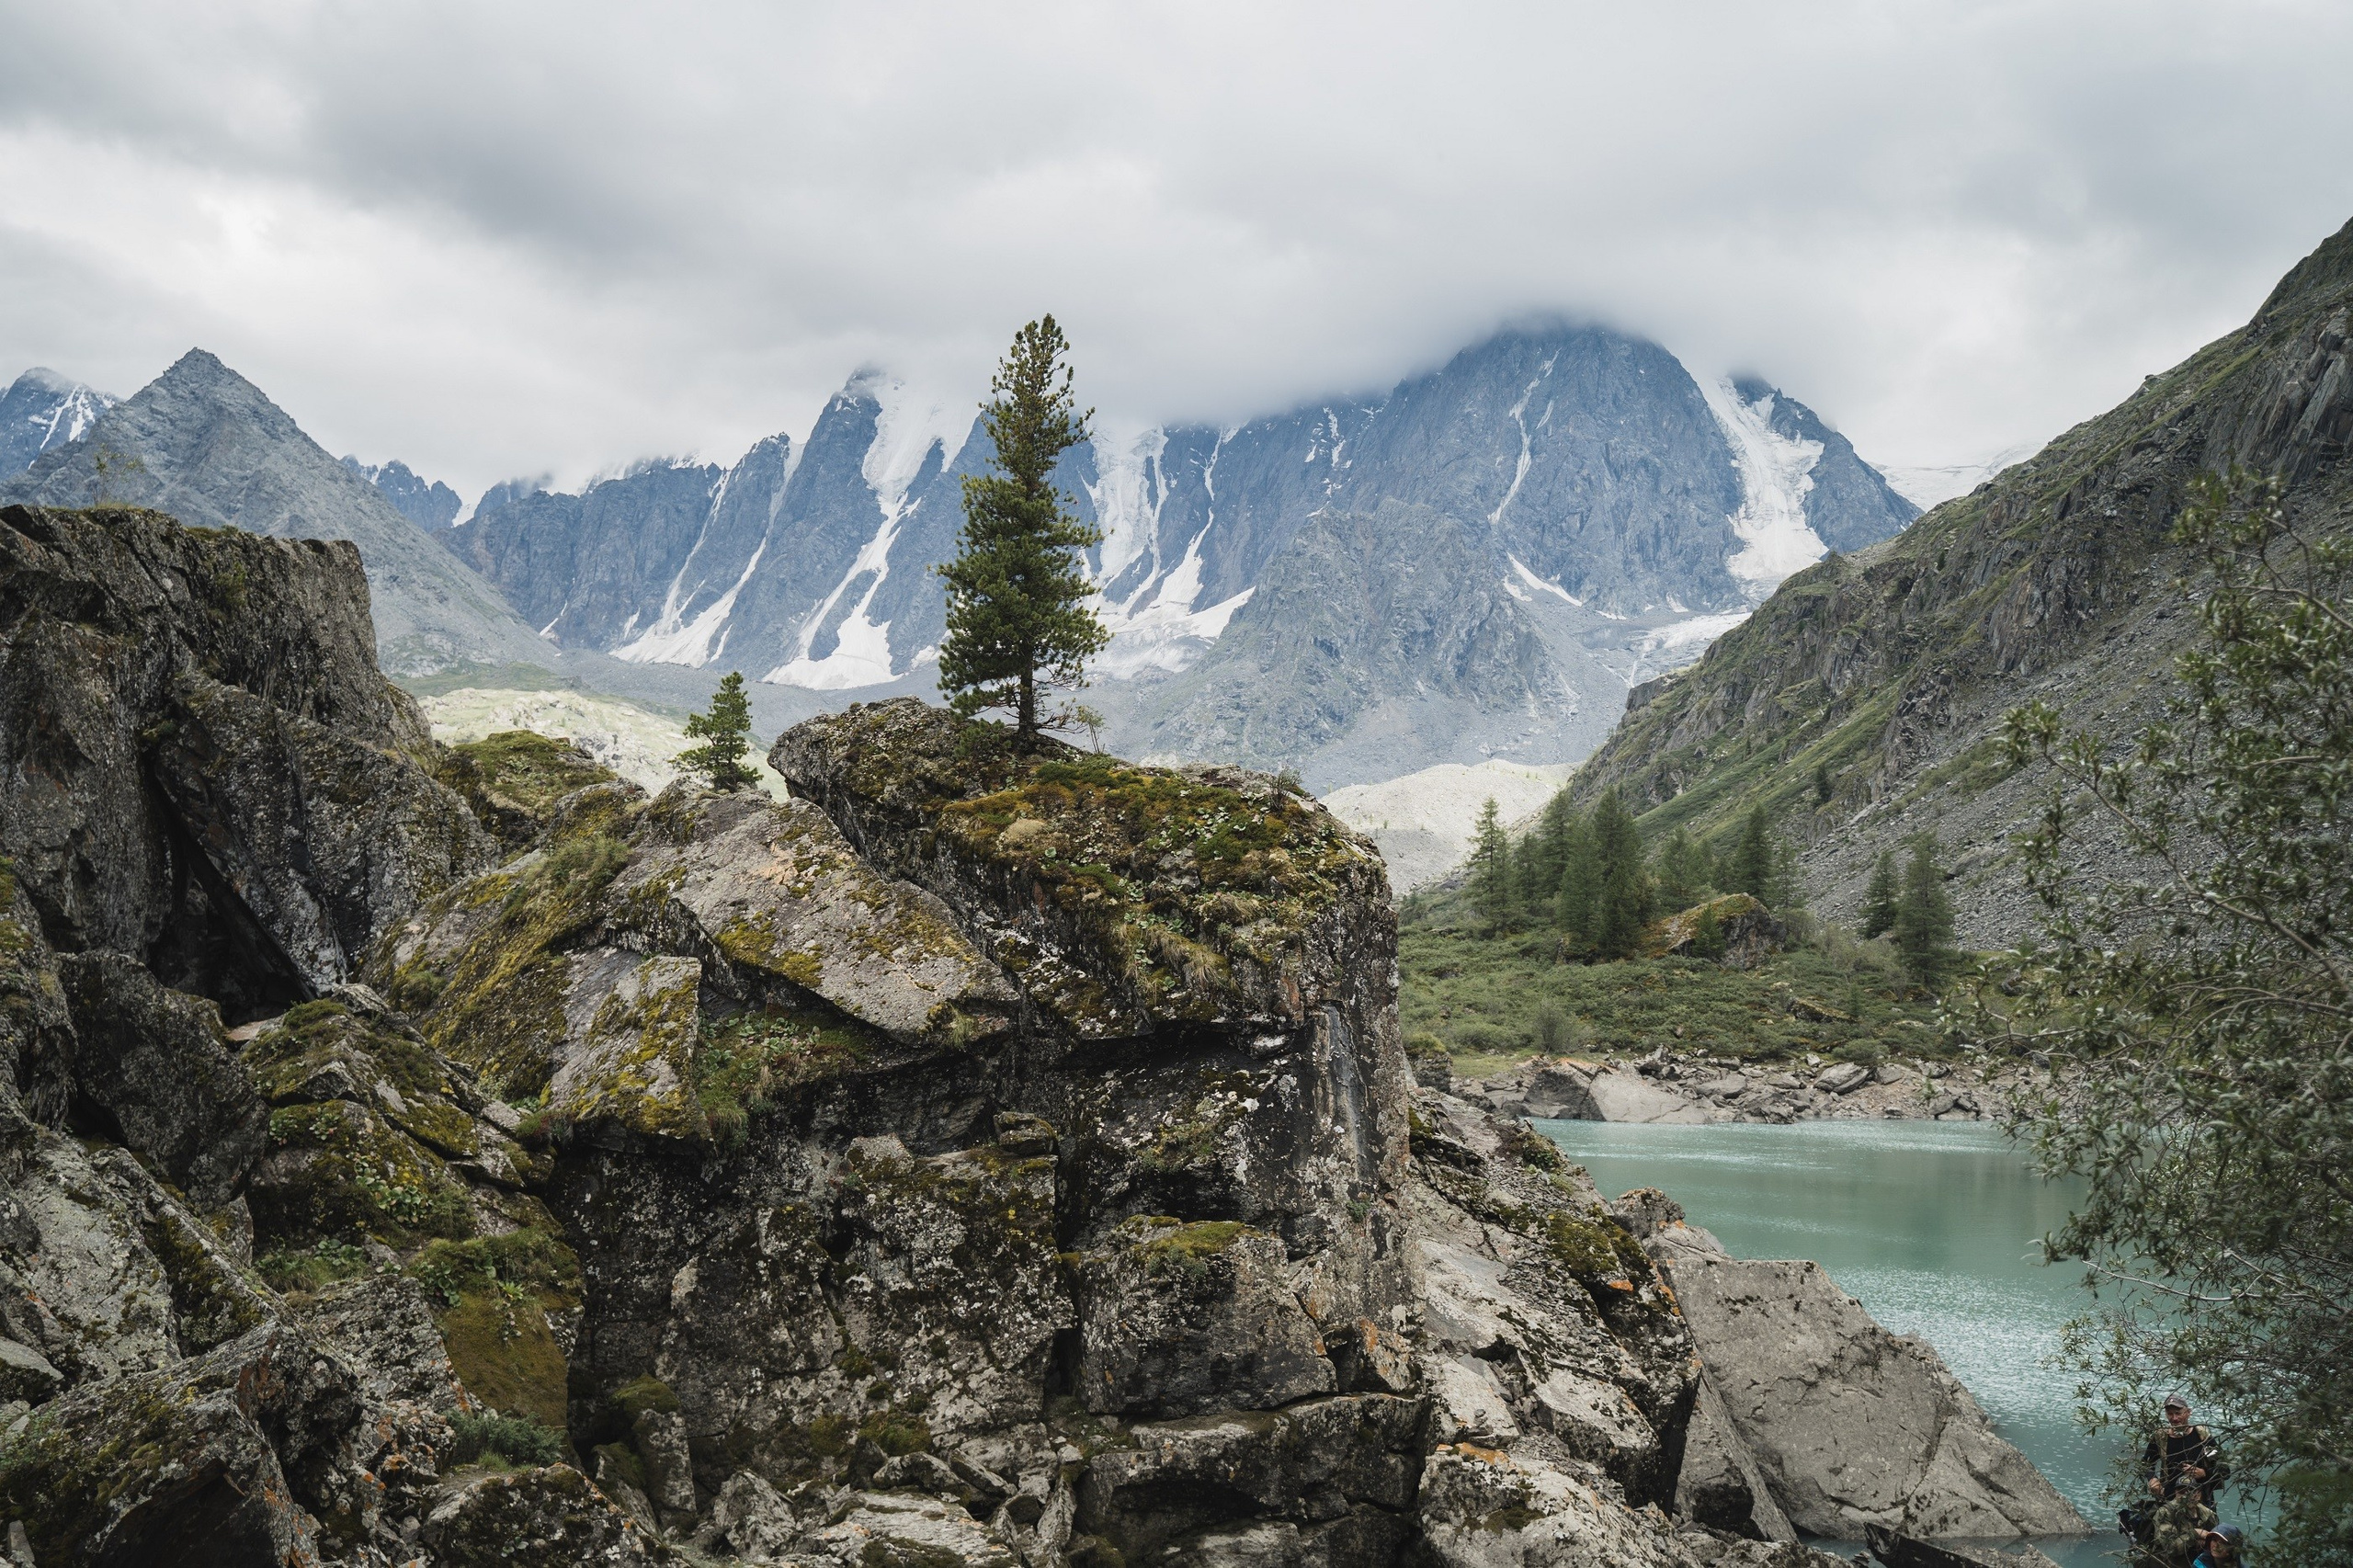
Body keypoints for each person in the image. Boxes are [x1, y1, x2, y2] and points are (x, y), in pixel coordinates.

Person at [2143, 1393, 2227, 1505]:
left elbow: (2224, 1470)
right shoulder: (2161, 1437)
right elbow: (2146, 1463)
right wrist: (2152, 1479)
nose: (2174, 1418)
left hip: (2201, 1501)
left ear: (2188, 1412)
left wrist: (2204, 1473)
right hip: (2169, 1501)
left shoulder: (2202, 1436)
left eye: (2178, 1413)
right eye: (2170, 1414)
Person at [2148, 1472, 2218, 1568]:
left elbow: (2217, 1543)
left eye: (2190, 1492)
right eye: (2181, 1492)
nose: (2185, 1496)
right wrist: (2195, 1534)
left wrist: (2204, 1543)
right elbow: (2170, 1548)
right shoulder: (2166, 1513)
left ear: (2198, 1495)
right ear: (2176, 1493)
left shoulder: (2208, 1514)